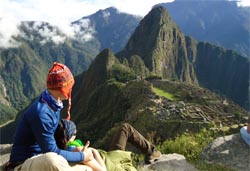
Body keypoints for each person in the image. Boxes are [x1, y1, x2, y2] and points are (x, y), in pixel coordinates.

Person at [4, 62, 93, 171]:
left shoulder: (52, 102)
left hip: (40, 157)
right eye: (70, 86)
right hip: (23, 163)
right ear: (64, 88)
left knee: (87, 153)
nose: (71, 89)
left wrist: (77, 152)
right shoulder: (42, 113)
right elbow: (53, 152)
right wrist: (82, 156)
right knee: (52, 159)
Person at [55, 119, 162, 171]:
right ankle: (151, 152)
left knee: (125, 128)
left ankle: (151, 151)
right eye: (74, 133)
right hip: (111, 163)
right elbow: (102, 170)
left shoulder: (57, 150)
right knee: (126, 128)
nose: (76, 134)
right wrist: (92, 150)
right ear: (69, 137)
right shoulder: (78, 151)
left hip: (107, 157)